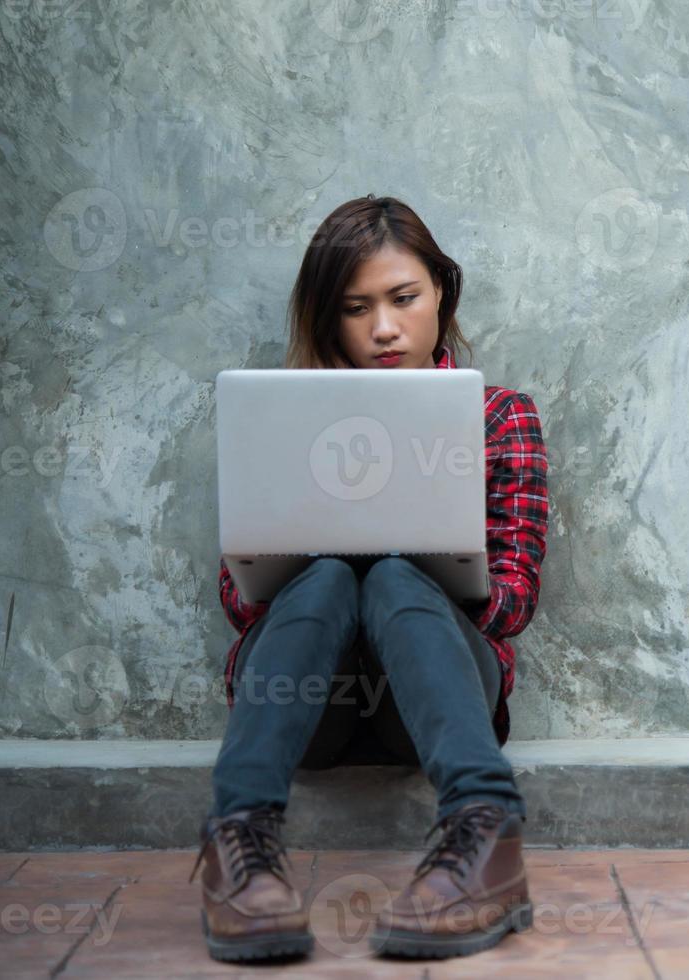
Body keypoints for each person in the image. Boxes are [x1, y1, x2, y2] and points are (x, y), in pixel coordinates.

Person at [187, 195, 548, 962]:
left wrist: (411, 551)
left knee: (389, 576)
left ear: (441, 291)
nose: (383, 328)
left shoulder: (499, 416)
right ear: (329, 317)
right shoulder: (283, 416)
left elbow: (514, 602)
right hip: (308, 702)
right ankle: (239, 840)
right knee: (322, 582)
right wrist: (325, 546)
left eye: (403, 298)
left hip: (431, 696)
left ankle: (485, 829)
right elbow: (238, 598)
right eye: (356, 308)